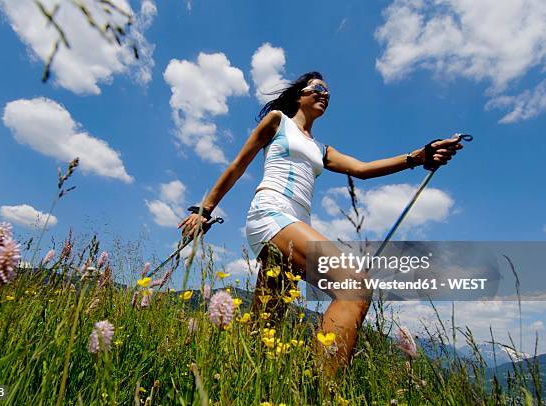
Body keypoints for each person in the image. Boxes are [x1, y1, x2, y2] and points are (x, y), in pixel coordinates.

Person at [178, 71, 464, 371]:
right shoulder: (278, 121)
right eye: (317, 88)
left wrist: (417, 157)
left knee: (265, 332)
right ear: (299, 95)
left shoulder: (321, 149)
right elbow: (238, 165)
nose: (324, 94)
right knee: (354, 287)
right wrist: (204, 210)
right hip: (271, 214)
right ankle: (320, 392)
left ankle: (241, 385)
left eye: (328, 92)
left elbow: (363, 169)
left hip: (295, 224)